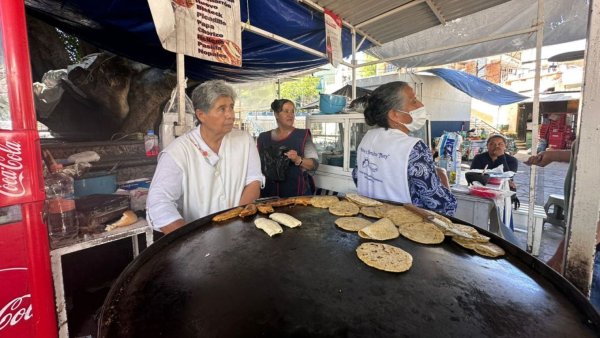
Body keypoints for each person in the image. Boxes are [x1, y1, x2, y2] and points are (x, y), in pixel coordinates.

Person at [146, 80, 263, 234]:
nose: (230, 115)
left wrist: (239, 219)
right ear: (201, 115)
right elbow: (159, 202)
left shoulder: (244, 140)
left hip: (239, 234)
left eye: (231, 107)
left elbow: (254, 180)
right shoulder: (178, 152)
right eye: (222, 109)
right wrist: (189, 241)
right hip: (199, 241)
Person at [354, 81, 457, 216]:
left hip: (368, 218)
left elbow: (358, 176)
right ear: (394, 114)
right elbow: (441, 205)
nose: (421, 105)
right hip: (401, 228)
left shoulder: (367, 138)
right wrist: (442, 177)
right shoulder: (414, 148)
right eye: (413, 101)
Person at [525, 142, 600, 311]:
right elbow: (590, 150)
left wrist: (564, 251)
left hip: (593, 248)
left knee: (583, 318)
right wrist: (555, 155)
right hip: (585, 237)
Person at [257, 99, 319, 197]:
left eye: (292, 111)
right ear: (276, 114)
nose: (291, 115)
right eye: (286, 111)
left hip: (296, 194)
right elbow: (256, 165)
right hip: (269, 194)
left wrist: (298, 159)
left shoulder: (302, 136)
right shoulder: (263, 138)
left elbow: (314, 164)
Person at [470, 133, 520, 210]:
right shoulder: (479, 158)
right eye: (492, 144)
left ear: (505, 147)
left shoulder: (512, 160)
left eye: (500, 144)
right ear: (487, 146)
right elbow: (472, 175)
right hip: (483, 191)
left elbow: (508, 176)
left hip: (504, 192)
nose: (497, 147)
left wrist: (501, 157)